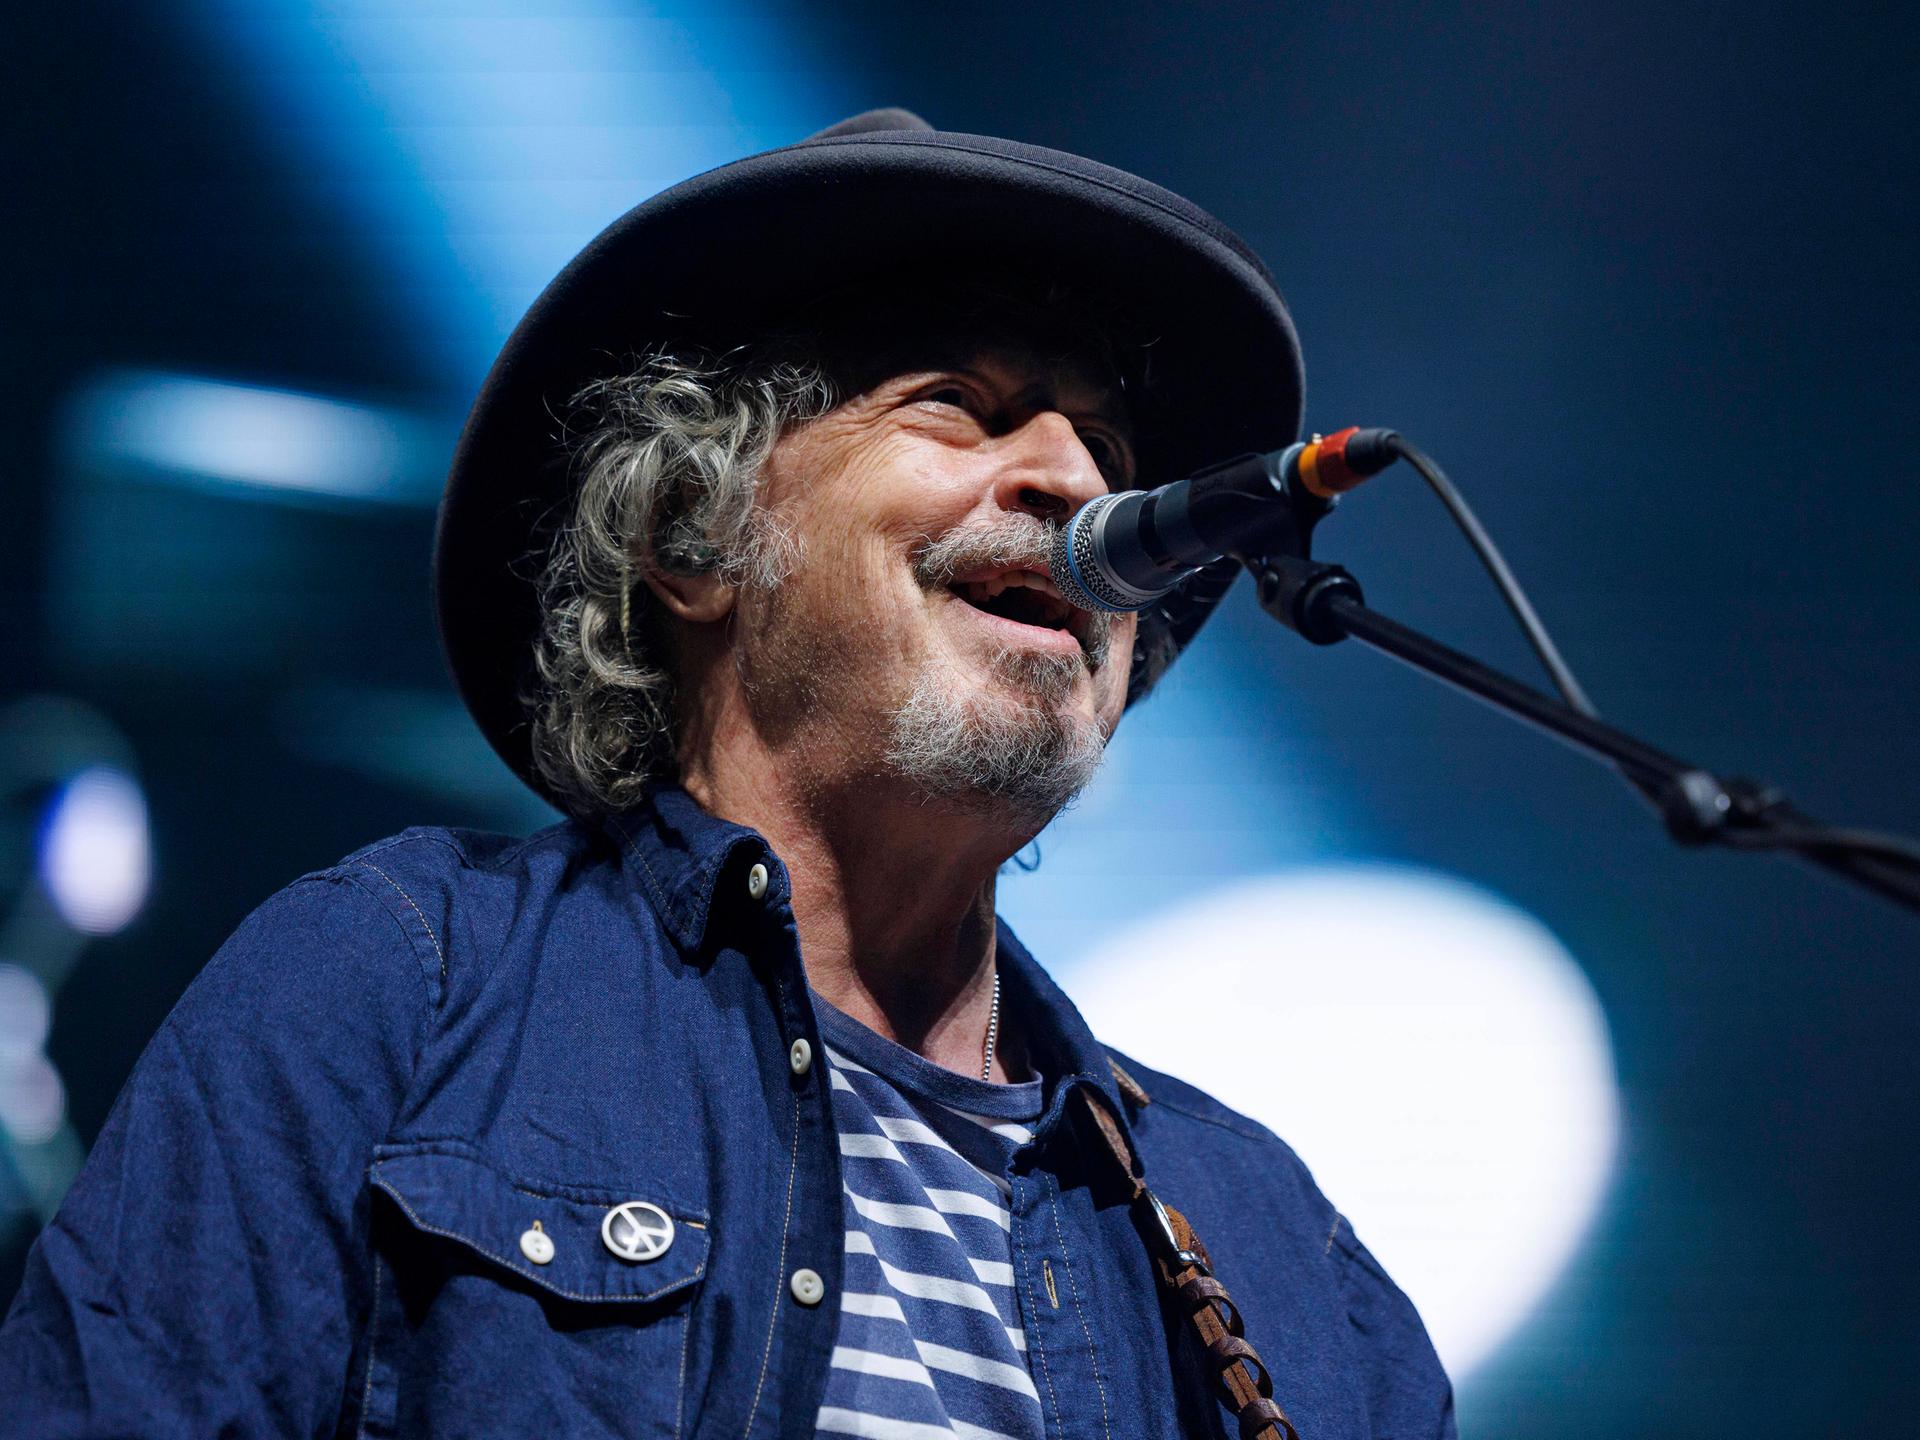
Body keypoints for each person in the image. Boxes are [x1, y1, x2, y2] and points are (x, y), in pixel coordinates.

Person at [0, 110, 1454, 1439]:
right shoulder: (392, 988)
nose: (1080, 483)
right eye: (959, 402)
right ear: (695, 539)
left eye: (1112, 448)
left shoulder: (1275, 1250)